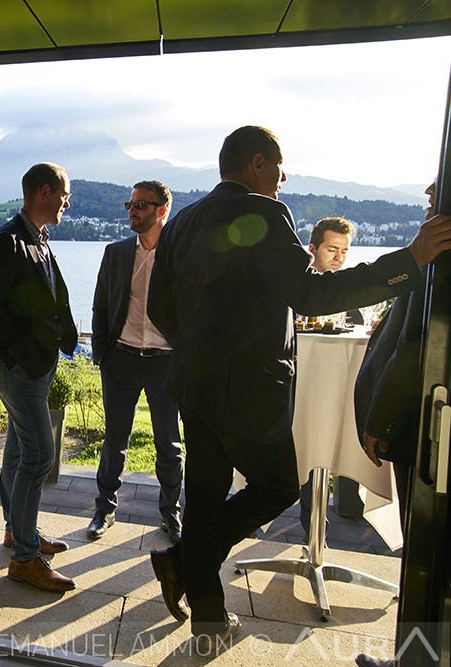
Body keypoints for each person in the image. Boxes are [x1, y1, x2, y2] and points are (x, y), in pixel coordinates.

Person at [146, 125, 451, 652]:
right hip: (250, 390)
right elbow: (310, 293)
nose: (284, 178)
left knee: (203, 499)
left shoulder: (183, 221)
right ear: (258, 164)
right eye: (280, 167)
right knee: (280, 486)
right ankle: (184, 565)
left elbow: (158, 308)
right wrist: (410, 260)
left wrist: (199, 348)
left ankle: (207, 616)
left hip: (192, 385)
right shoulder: (264, 214)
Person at [352, 179, 445, 667]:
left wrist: (381, 420)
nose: (430, 189)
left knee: (426, 552)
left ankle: (414, 660)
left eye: (441, 182)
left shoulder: (439, 254)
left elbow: (417, 345)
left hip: (421, 427)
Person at [0, 162, 79, 592]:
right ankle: (24, 558)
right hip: (20, 368)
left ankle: (18, 532)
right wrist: (21, 354)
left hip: (35, 365)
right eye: (64, 195)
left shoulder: (38, 237)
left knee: (19, 452)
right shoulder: (8, 240)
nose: (67, 203)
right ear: (44, 191)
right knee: (39, 457)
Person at [87, 180, 184, 543]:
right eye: (130, 205)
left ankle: (171, 513)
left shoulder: (180, 255)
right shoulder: (115, 253)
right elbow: (100, 305)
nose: (133, 211)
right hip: (121, 360)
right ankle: (104, 509)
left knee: (169, 444)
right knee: (114, 440)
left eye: (141, 205)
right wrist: (101, 353)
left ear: (162, 210)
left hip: (166, 362)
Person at [298, 216, 359, 542]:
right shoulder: (295, 292)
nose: (339, 257)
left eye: (344, 251)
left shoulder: (351, 297)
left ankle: (315, 531)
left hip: (334, 393)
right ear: (313, 248)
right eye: (332, 249)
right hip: (294, 391)